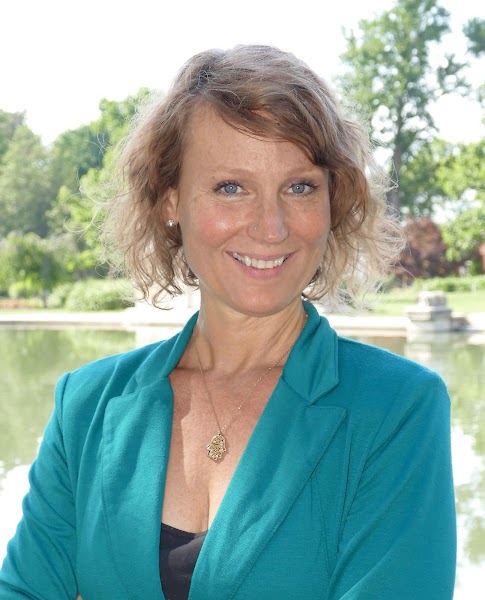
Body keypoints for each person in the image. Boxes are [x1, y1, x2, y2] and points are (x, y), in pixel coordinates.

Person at [0, 44, 456, 599]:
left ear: (333, 201)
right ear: (170, 201)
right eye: (231, 188)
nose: (271, 227)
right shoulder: (87, 406)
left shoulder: (398, 408)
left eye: (300, 187)